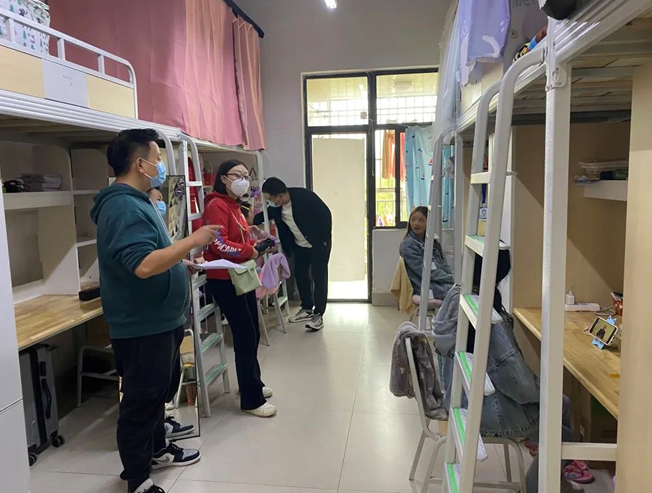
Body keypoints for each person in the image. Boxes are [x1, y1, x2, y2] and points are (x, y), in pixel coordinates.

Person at [91, 129, 220, 493]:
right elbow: (143, 265)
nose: (161, 166)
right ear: (140, 163)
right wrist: (192, 241)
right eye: (158, 159)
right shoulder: (122, 206)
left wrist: (180, 263)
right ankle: (137, 479)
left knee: (158, 394)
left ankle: (158, 450)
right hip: (142, 325)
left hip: (160, 320)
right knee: (141, 401)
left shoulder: (139, 201)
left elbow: (153, 255)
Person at [433, 252, 587, 493]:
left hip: (458, 398)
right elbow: (519, 384)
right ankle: (539, 484)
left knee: (562, 405)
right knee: (563, 433)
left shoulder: (456, 296)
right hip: (485, 410)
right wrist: (543, 392)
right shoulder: (488, 314)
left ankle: (554, 479)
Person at [203, 160, 276, 418]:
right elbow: (219, 244)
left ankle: (252, 383)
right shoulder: (216, 205)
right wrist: (250, 251)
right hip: (224, 278)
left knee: (252, 332)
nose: (244, 180)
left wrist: (254, 240)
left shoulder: (234, 205)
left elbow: (235, 239)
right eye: (238, 175)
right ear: (223, 178)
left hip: (240, 275)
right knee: (244, 335)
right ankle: (251, 400)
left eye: (247, 176)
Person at [256, 177, 332, 331]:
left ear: (279, 196)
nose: (270, 202)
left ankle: (318, 315)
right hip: (299, 245)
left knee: (319, 277)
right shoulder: (276, 207)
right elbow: (263, 216)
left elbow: (325, 214)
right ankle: (307, 307)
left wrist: (324, 240)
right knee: (300, 274)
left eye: (270, 199)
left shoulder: (305, 197)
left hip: (318, 244)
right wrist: (247, 222)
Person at [399, 206, 454, 300]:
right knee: (459, 293)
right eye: (413, 220)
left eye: (421, 220)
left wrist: (452, 277)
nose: (416, 223)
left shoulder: (433, 242)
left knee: (465, 288)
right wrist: (451, 278)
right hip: (425, 286)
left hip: (437, 281)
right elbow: (426, 271)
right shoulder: (408, 245)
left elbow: (443, 265)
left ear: (429, 223)